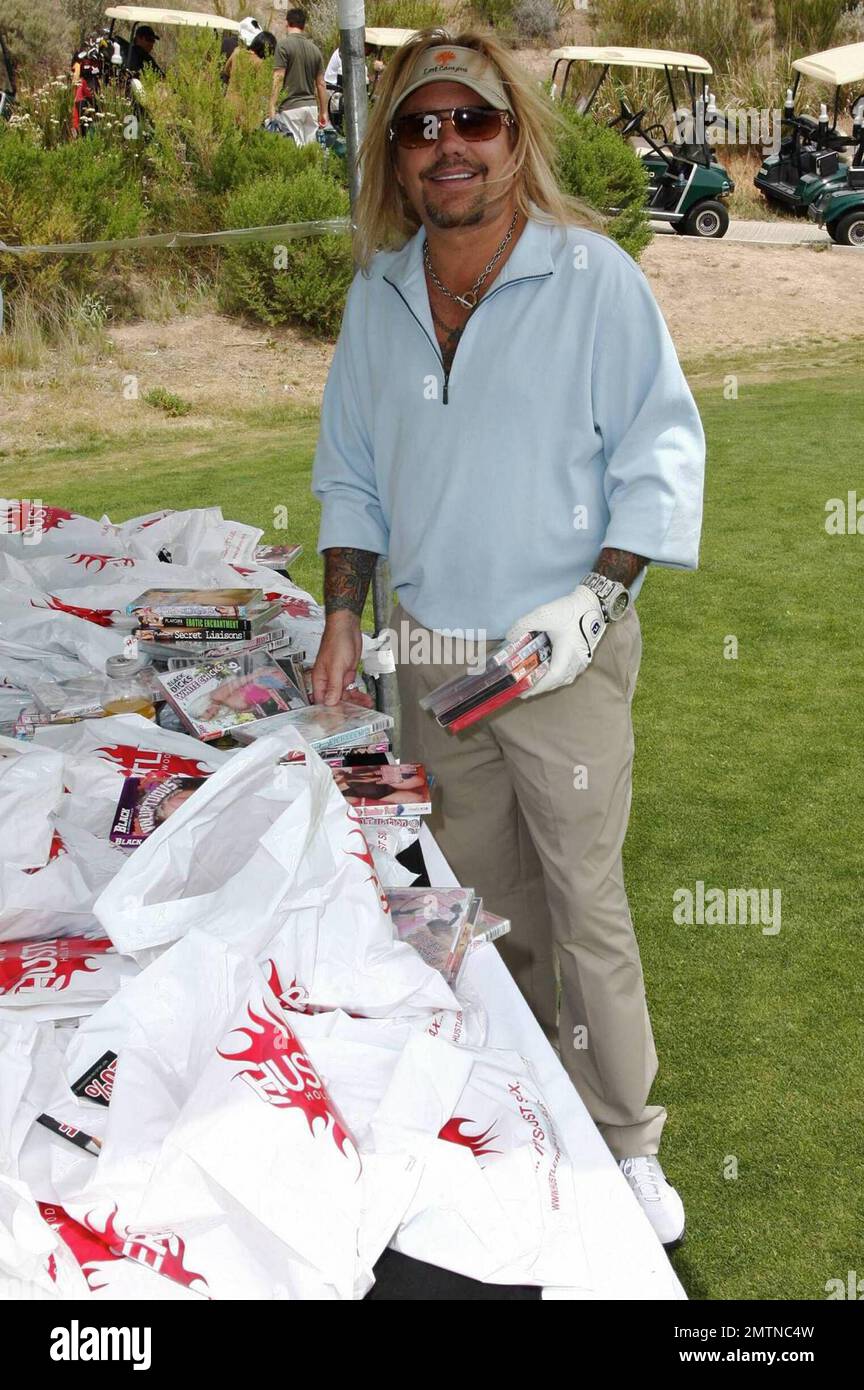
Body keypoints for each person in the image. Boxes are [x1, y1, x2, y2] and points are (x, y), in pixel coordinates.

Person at [310, 28, 706, 1249]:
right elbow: (355, 473)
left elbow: (661, 453)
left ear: (513, 136)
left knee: (584, 900)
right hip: (433, 654)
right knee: (481, 902)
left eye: (471, 121)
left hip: (559, 655)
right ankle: (533, 1111)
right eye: (419, 128)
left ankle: (626, 1140)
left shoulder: (593, 277)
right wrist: (341, 609)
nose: (448, 148)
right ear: (394, 154)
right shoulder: (378, 292)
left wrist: (595, 600)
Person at [268, 8, 326, 145]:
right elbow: (321, 84)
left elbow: (278, 77)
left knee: (295, 153)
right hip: (311, 108)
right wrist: (323, 111)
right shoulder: (315, 50)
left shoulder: (283, 46)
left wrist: (271, 105)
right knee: (310, 152)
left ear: (286, 23)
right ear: (303, 26)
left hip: (290, 107)